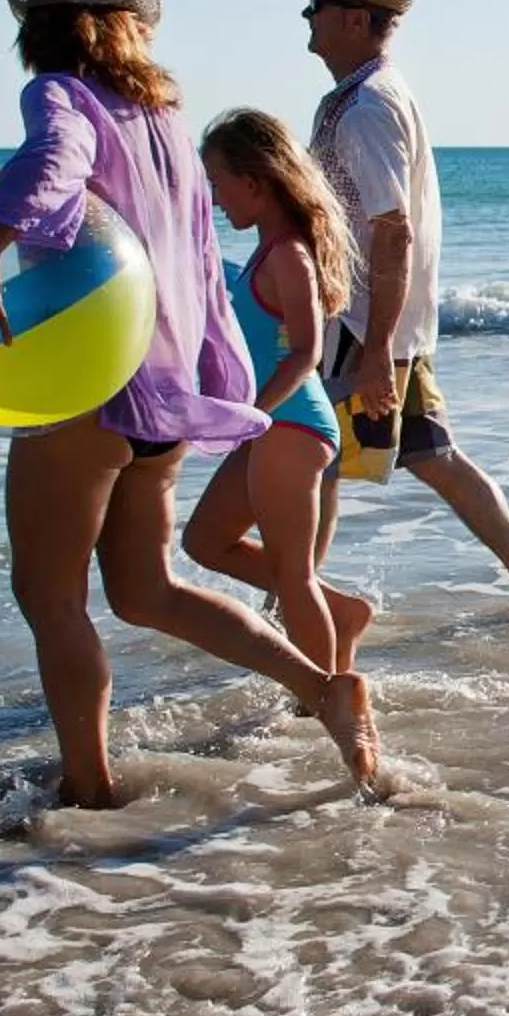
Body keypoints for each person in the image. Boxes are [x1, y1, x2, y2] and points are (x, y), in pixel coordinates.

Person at [0, 0, 379, 807]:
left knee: (48, 594)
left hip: (87, 383)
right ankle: (323, 688)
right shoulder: (164, 120)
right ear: (128, 25)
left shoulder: (60, 94)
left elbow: (48, 165)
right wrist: (213, 383)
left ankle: (87, 788)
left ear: (45, 27)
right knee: (145, 589)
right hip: (161, 395)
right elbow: (202, 262)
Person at [297, 0, 509, 616]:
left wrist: (376, 354)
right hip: (374, 322)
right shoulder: (362, 96)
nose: (308, 15)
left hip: (367, 327)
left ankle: (300, 605)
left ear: (356, 19)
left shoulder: (367, 108)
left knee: (316, 458)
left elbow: (392, 230)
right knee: (420, 453)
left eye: (320, 5)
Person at [183, 107, 377, 677]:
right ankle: (339, 613)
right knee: (205, 541)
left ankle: (321, 700)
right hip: (269, 424)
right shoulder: (265, 251)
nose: (216, 200)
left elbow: (305, 353)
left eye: (217, 183)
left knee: (293, 580)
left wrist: (250, 415)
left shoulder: (290, 254)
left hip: (291, 424)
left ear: (255, 182)